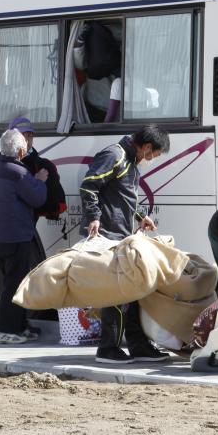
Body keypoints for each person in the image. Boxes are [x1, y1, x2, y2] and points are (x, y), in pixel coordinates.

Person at [79, 124, 171, 364]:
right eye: (155, 155)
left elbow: (123, 197)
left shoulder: (129, 161)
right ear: (147, 147)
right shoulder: (114, 155)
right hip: (108, 235)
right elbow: (89, 186)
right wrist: (94, 218)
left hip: (123, 235)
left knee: (136, 292)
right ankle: (108, 348)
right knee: (117, 294)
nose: (152, 159)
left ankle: (138, 346)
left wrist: (141, 217)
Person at [0, 128, 49, 344]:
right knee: (15, 285)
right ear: (21, 151)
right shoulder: (19, 173)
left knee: (10, 283)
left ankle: (20, 327)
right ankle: (3, 330)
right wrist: (39, 180)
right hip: (16, 235)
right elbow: (37, 198)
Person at [7, 116, 66, 222]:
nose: (26, 140)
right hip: (0, 228)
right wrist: (36, 182)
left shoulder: (43, 165)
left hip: (26, 229)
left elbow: (56, 202)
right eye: (21, 136)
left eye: (29, 136)